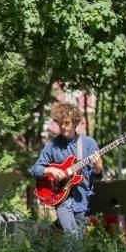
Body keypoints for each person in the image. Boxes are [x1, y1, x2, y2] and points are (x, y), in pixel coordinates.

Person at [30, 101, 103, 239]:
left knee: (78, 241)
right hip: (62, 200)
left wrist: (99, 169)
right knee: (73, 237)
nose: (63, 127)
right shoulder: (52, 145)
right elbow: (35, 169)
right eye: (60, 123)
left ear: (75, 122)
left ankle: (48, 237)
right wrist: (49, 170)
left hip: (83, 202)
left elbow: (96, 179)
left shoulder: (89, 144)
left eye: (67, 123)